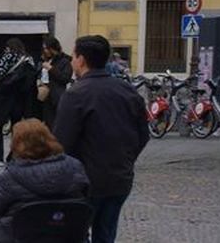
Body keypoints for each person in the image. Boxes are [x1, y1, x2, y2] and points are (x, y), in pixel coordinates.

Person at [53, 35, 149, 243]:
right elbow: (143, 134)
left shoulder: (76, 94)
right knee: (106, 233)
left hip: (85, 181)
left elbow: (62, 143)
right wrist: (126, 159)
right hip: (120, 178)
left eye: (73, 56)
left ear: (81, 60)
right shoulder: (127, 90)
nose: (72, 61)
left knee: (75, 233)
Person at [0, 119, 90, 243]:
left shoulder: (12, 175)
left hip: (21, 236)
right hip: (67, 233)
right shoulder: (74, 166)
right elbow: (85, 196)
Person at [0, 38, 37, 165]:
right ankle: (14, 156)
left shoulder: (8, 56)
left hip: (4, 97)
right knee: (16, 128)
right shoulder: (29, 59)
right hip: (20, 98)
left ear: (9, 47)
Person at [39, 36, 72, 127]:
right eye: (44, 48)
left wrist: (51, 69)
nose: (45, 51)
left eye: (47, 48)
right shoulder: (46, 60)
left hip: (56, 97)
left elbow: (65, 78)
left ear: (52, 48)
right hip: (45, 96)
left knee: (56, 124)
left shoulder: (65, 61)